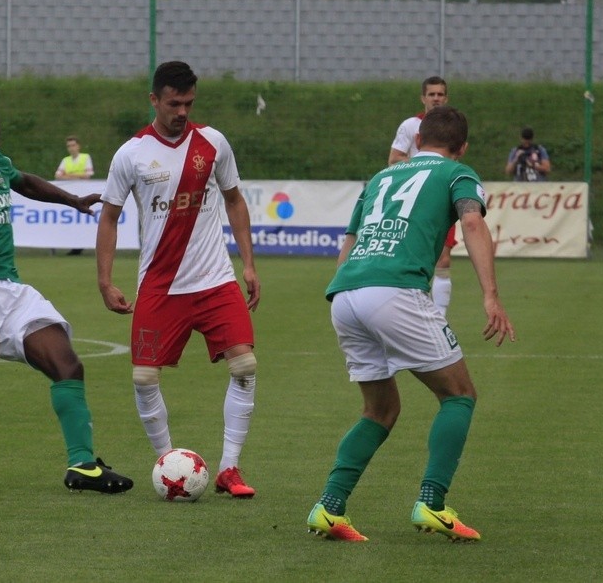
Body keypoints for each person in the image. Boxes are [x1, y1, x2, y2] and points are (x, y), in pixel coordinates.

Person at [306, 106, 515, 543]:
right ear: (462, 148)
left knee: (380, 410)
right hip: (395, 292)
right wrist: (491, 295)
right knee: (459, 395)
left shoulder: (382, 177)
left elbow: (350, 239)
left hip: (344, 293)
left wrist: (345, 293)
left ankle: (329, 508)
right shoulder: (457, 173)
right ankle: (432, 503)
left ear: (418, 141)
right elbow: (473, 220)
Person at [0, 104, 132, 495]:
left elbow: (26, 182)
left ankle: (82, 465)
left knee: (67, 364)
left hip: (11, 289)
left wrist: (73, 200)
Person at [95, 61, 260, 498]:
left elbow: (234, 200)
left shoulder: (213, 143)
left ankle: (229, 468)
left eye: (188, 103)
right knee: (144, 379)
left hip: (214, 280)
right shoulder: (130, 154)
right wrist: (105, 280)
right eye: (173, 103)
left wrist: (248, 264)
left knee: (244, 366)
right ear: (154, 100)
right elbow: (109, 218)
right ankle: (169, 464)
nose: (182, 111)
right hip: (160, 284)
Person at [388, 76, 454, 316]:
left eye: (440, 94)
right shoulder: (410, 125)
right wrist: (422, 166)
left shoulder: (453, 125)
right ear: (423, 98)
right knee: (415, 258)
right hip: (415, 201)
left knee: (443, 260)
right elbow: (394, 159)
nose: (436, 98)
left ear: (446, 98)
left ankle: (440, 316)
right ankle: (410, 311)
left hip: (442, 199)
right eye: (432, 94)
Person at [55, 135, 94, 255]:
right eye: (69, 146)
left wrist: (68, 175)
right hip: (71, 194)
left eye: (73, 145)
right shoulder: (65, 160)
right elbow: (57, 175)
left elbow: (88, 175)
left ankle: (80, 245)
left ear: (78, 146)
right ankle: (74, 246)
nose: (71, 148)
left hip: (83, 193)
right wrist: (78, 176)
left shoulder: (85, 157)